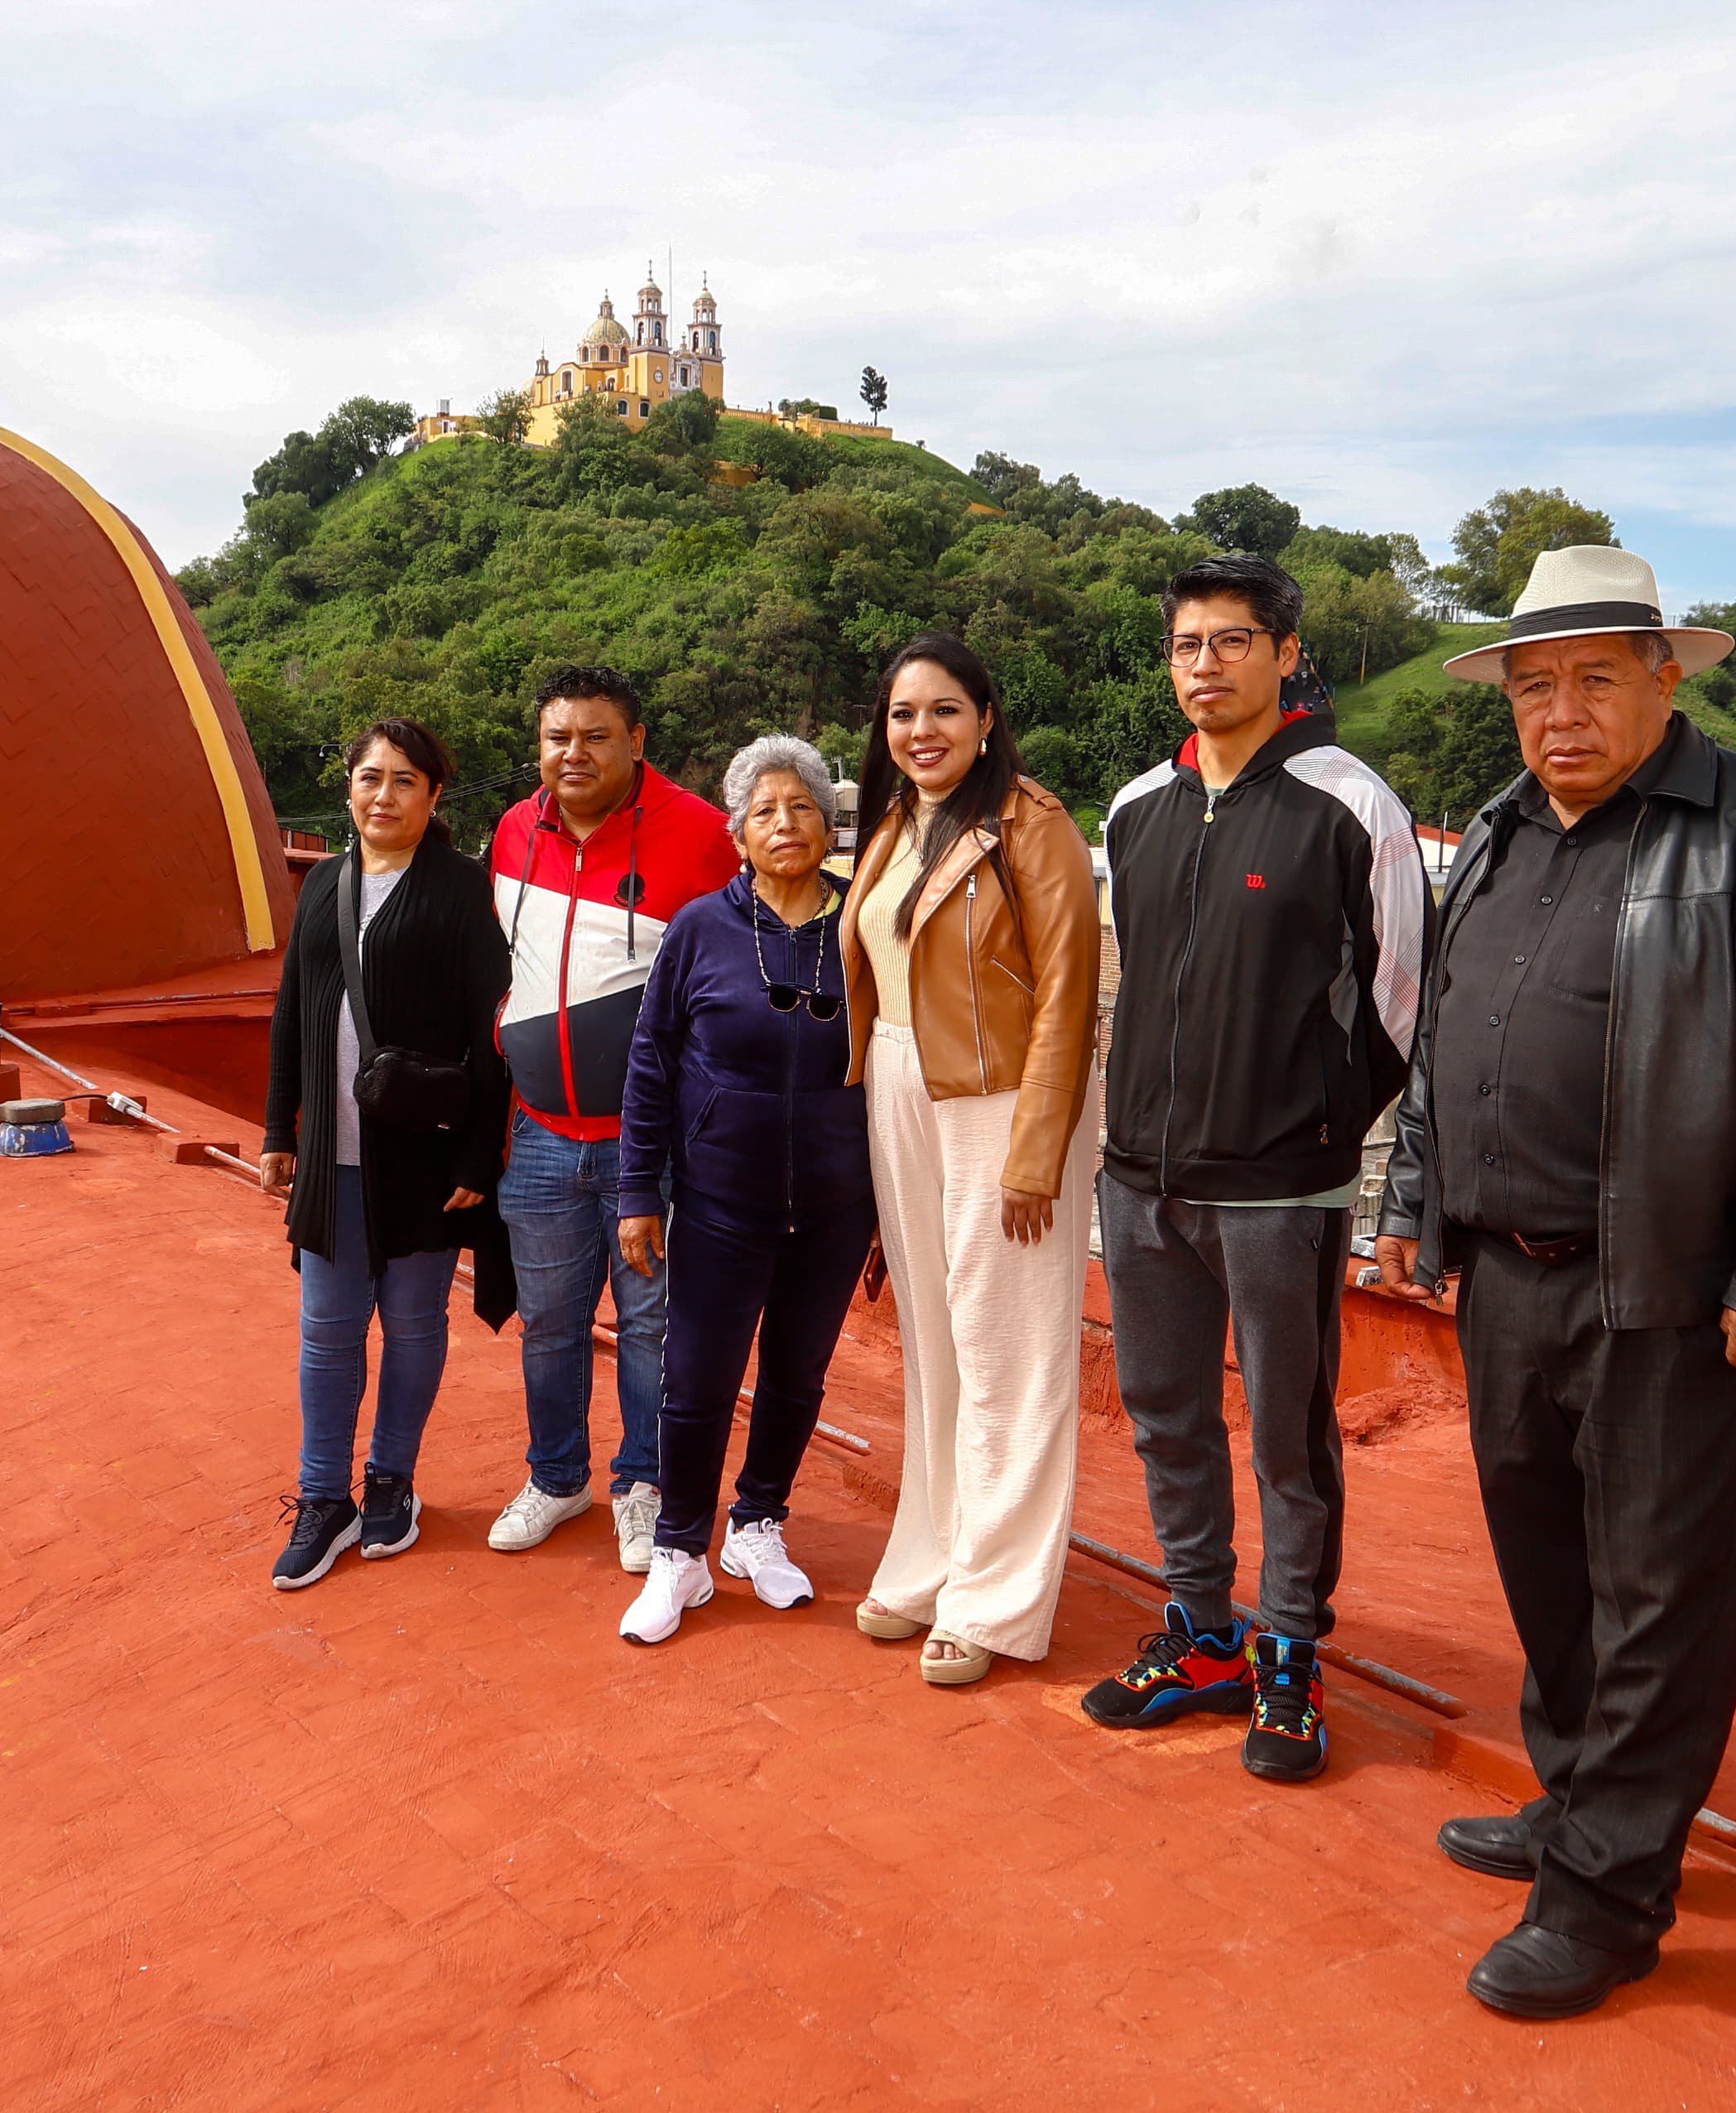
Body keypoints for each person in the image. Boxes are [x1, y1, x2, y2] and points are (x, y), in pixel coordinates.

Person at [1365, 545, 1736, 2019]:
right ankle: (1581, 1799)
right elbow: (1443, 1042)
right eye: (1535, 685)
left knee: (1664, 1592)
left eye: (1596, 676)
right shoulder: (1506, 835)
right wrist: (1417, 1198)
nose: (1561, 712)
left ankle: (1607, 1889)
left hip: (1672, 1282)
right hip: (1508, 1278)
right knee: (1549, 1571)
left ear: (1668, 677)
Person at [1086, 553, 1431, 1782]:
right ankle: (1204, 1634)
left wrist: (1315, 1125)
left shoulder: (1351, 804)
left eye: (1232, 642)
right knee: (1167, 1418)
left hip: (1282, 1185)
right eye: (1187, 645)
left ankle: (1290, 1648)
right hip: (1139, 1179)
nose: (1205, 666)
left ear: (1288, 655)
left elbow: (1400, 1001)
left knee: (1286, 1432)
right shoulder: (1136, 810)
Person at [838, 633, 1103, 1687]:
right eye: (903, 714)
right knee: (935, 1342)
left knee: (1009, 1347)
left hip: (1000, 1104)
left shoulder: (1031, 826)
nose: (920, 732)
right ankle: (932, 1559)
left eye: (943, 711)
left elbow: (1068, 996)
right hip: (900, 1086)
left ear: (986, 717)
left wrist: (1037, 1149)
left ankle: (995, 1597)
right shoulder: (897, 821)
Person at [609, 738, 879, 1644]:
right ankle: (679, 1550)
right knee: (695, 1377)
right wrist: (636, 1188)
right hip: (720, 1196)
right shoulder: (698, 928)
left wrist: (888, 1201)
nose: (784, 823)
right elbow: (648, 1063)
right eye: (764, 810)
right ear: (738, 832)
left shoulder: (865, 924)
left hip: (838, 1201)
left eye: (800, 806)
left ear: (828, 823)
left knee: (796, 1372)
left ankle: (757, 1522)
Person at [487, 666, 744, 1571]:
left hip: (655, 1149)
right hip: (543, 1133)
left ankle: (643, 1486)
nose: (574, 752)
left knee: (651, 1327)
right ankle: (557, 1476)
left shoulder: (704, 836)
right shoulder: (515, 830)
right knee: (548, 1323)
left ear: (636, 740)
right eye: (558, 735)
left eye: (595, 735)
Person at [260, 719, 517, 1591]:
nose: (383, 794)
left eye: (405, 780)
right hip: (332, 1152)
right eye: (370, 778)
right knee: (326, 1335)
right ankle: (322, 1496)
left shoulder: (457, 888)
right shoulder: (324, 882)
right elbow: (292, 1011)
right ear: (348, 788)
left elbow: (491, 1038)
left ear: (434, 794)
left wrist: (478, 1164)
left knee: (411, 1326)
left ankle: (391, 1479)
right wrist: (274, 1131)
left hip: (423, 1156)